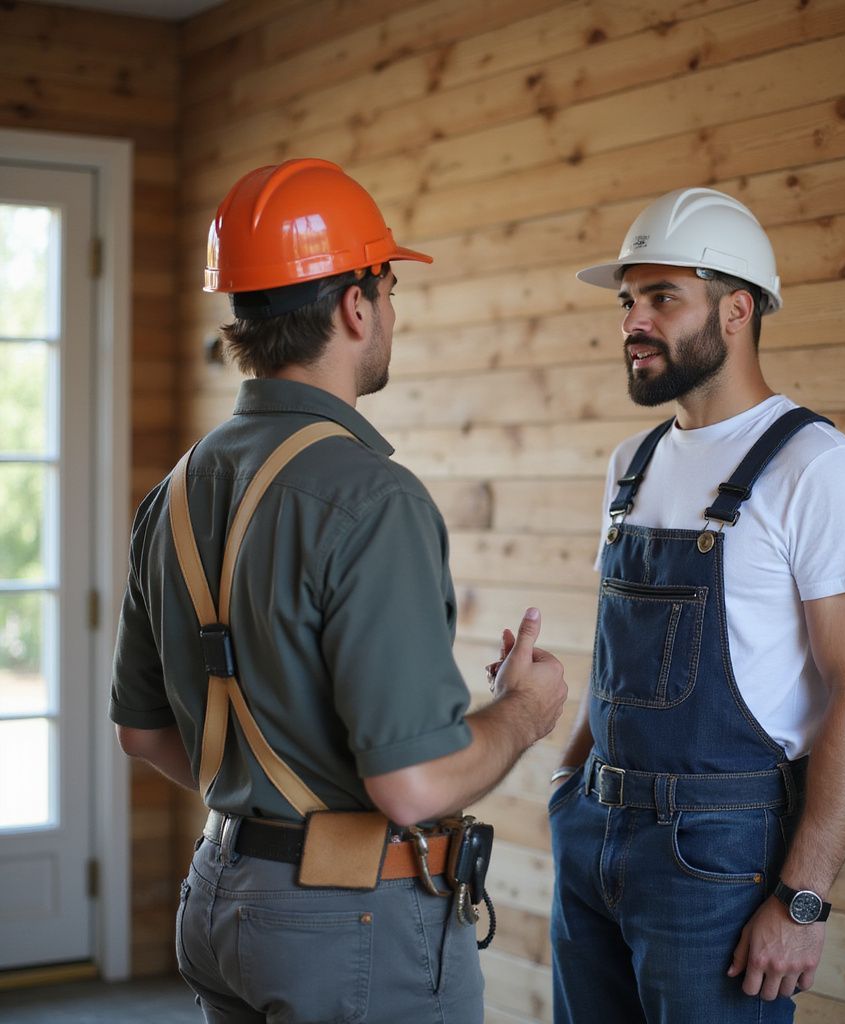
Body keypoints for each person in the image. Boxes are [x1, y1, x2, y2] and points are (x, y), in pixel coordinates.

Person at [109, 157, 567, 1024]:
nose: (391, 310)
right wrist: (523, 713)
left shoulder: (170, 495)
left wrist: (262, 813)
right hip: (349, 925)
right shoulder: (372, 498)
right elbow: (411, 787)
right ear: (356, 305)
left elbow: (141, 733)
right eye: (388, 286)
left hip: (217, 897)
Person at [545, 187, 845, 1023]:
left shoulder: (816, 467)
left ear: (737, 309)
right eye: (630, 299)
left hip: (718, 858)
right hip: (594, 826)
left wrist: (803, 898)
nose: (634, 320)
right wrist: (571, 776)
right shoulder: (629, 464)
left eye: (663, 297)